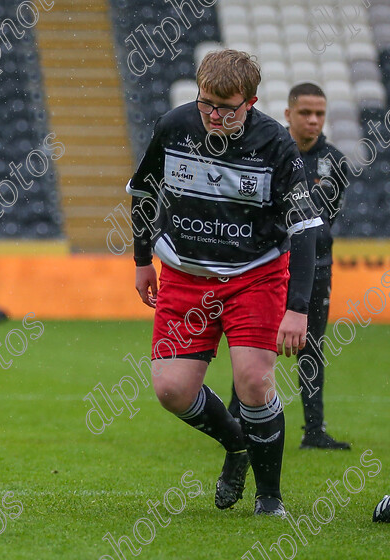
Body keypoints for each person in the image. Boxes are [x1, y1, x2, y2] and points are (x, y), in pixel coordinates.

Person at [128, 50, 321, 517]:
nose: (214, 115)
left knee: (254, 382)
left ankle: (269, 499)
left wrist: (298, 309)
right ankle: (237, 446)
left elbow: (306, 227)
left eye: (226, 107)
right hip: (185, 276)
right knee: (171, 390)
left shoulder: (275, 142)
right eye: (206, 103)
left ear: (250, 102)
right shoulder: (175, 126)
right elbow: (142, 193)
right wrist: (141, 261)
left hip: (255, 276)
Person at [227, 83, 351, 450]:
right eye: (305, 113)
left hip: (315, 267)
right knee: (254, 343)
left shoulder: (337, 164)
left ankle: (314, 430)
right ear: (288, 114)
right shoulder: (269, 151)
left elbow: (324, 222)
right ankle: (237, 421)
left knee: (312, 345)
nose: (313, 120)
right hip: (268, 264)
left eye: (320, 114)